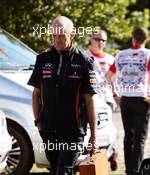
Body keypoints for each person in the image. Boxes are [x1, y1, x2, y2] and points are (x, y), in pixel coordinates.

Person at [28, 16, 98, 175]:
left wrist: (94, 137)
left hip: (73, 131)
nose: (57, 40)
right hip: (48, 130)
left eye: (61, 35)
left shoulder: (84, 61)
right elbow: (36, 93)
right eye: (54, 35)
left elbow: (90, 99)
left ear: (72, 35)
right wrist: (38, 122)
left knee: (64, 171)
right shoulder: (42, 58)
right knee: (55, 170)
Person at [105, 27, 150, 175]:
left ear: (133, 39)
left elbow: (108, 76)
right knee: (140, 138)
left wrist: (115, 95)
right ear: (146, 39)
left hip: (125, 98)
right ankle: (136, 170)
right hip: (141, 98)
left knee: (129, 136)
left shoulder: (121, 54)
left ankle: (129, 170)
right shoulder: (149, 54)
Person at [86, 30, 115, 110]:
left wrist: (115, 96)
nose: (101, 42)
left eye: (103, 40)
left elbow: (115, 80)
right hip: (90, 99)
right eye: (97, 39)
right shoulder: (84, 56)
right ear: (91, 39)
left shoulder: (111, 59)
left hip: (107, 99)